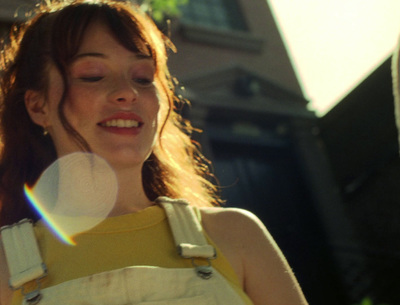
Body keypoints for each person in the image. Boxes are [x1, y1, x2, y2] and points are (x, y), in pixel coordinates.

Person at [0, 0, 308, 304]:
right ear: (38, 106)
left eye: (143, 78)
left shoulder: (236, 235)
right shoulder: (5, 265)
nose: (128, 92)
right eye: (93, 74)